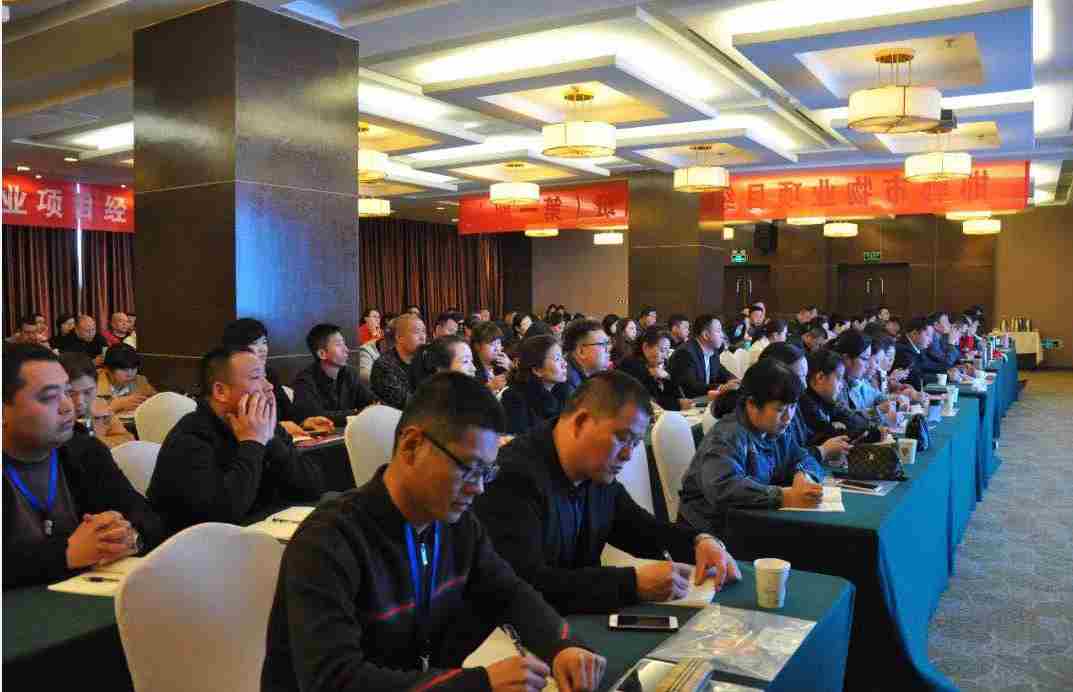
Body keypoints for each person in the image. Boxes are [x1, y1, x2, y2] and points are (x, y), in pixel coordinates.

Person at [262, 372, 606, 692]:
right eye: (469, 469)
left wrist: (562, 645)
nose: (478, 488)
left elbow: (510, 593)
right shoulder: (328, 540)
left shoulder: (456, 525)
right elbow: (332, 680)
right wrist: (478, 684)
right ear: (412, 445)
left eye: (487, 473)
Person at [475, 370, 740, 615]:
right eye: (622, 438)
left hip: (579, 618)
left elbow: (642, 528)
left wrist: (700, 541)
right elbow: (525, 584)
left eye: (635, 443)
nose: (627, 455)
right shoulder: (510, 477)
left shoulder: (595, 472)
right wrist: (632, 584)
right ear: (580, 422)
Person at [3, 344, 163, 589]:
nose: (67, 406)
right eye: (49, 397)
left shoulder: (84, 451)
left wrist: (129, 537)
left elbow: (147, 517)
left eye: (67, 392)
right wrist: (67, 553)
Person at [147, 346, 326, 535]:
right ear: (220, 391)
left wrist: (270, 439)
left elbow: (313, 487)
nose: (269, 386)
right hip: (202, 546)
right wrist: (253, 443)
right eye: (256, 377)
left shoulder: (262, 424)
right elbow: (224, 514)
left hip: (265, 534)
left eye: (265, 376)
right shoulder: (190, 438)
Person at [677, 358, 827, 537]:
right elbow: (723, 488)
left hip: (749, 522)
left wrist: (803, 475)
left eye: (793, 407)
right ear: (752, 404)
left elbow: (802, 457)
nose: (788, 418)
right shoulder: (727, 437)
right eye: (780, 410)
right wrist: (784, 496)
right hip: (709, 533)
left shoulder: (776, 429)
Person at [221, 318, 327, 430]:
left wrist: (304, 422)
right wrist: (279, 427)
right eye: (254, 343)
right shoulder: (232, 378)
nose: (263, 349)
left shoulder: (270, 374)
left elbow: (289, 413)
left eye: (264, 342)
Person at [290, 323, 376, 428]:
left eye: (344, 344)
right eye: (338, 345)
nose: (346, 350)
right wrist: (356, 413)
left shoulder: (349, 374)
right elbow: (315, 417)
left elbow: (371, 402)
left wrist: (367, 409)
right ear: (322, 354)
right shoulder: (304, 381)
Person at [797, 349, 871, 445]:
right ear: (820, 377)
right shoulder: (806, 404)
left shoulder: (827, 401)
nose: (842, 385)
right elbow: (830, 437)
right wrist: (834, 428)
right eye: (839, 378)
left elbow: (859, 423)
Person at [501, 335, 569, 435]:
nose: (565, 364)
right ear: (537, 370)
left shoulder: (561, 391)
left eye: (563, 357)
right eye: (558, 359)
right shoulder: (514, 398)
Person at [617, 327, 693, 412]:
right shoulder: (631, 366)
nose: (665, 356)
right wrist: (677, 404)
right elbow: (649, 403)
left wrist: (668, 376)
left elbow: (675, 395)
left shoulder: (658, 365)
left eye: (667, 351)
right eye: (662, 350)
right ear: (646, 347)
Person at [668, 314, 738, 400]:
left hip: (706, 399)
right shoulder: (685, 353)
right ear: (705, 335)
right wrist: (721, 387)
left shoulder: (713, 351)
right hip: (688, 402)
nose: (722, 335)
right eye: (718, 331)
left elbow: (720, 371)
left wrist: (732, 380)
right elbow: (691, 387)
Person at [371, 313, 427, 410]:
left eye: (424, 331)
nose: (422, 337)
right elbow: (404, 402)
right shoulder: (383, 365)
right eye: (416, 332)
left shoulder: (426, 360)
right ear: (399, 337)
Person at [96, 344, 157, 414]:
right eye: (123, 369)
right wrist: (112, 407)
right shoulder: (92, 384)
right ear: (107, 369)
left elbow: (156, 404)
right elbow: (87, 417)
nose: (130, 374)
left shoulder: (140, 381)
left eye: (133, 368)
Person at [561, 319, 611, 398]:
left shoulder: (590, 376)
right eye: (603, 344)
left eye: (608, 343)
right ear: (581, 351)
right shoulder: (568, 384)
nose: (608, 349)